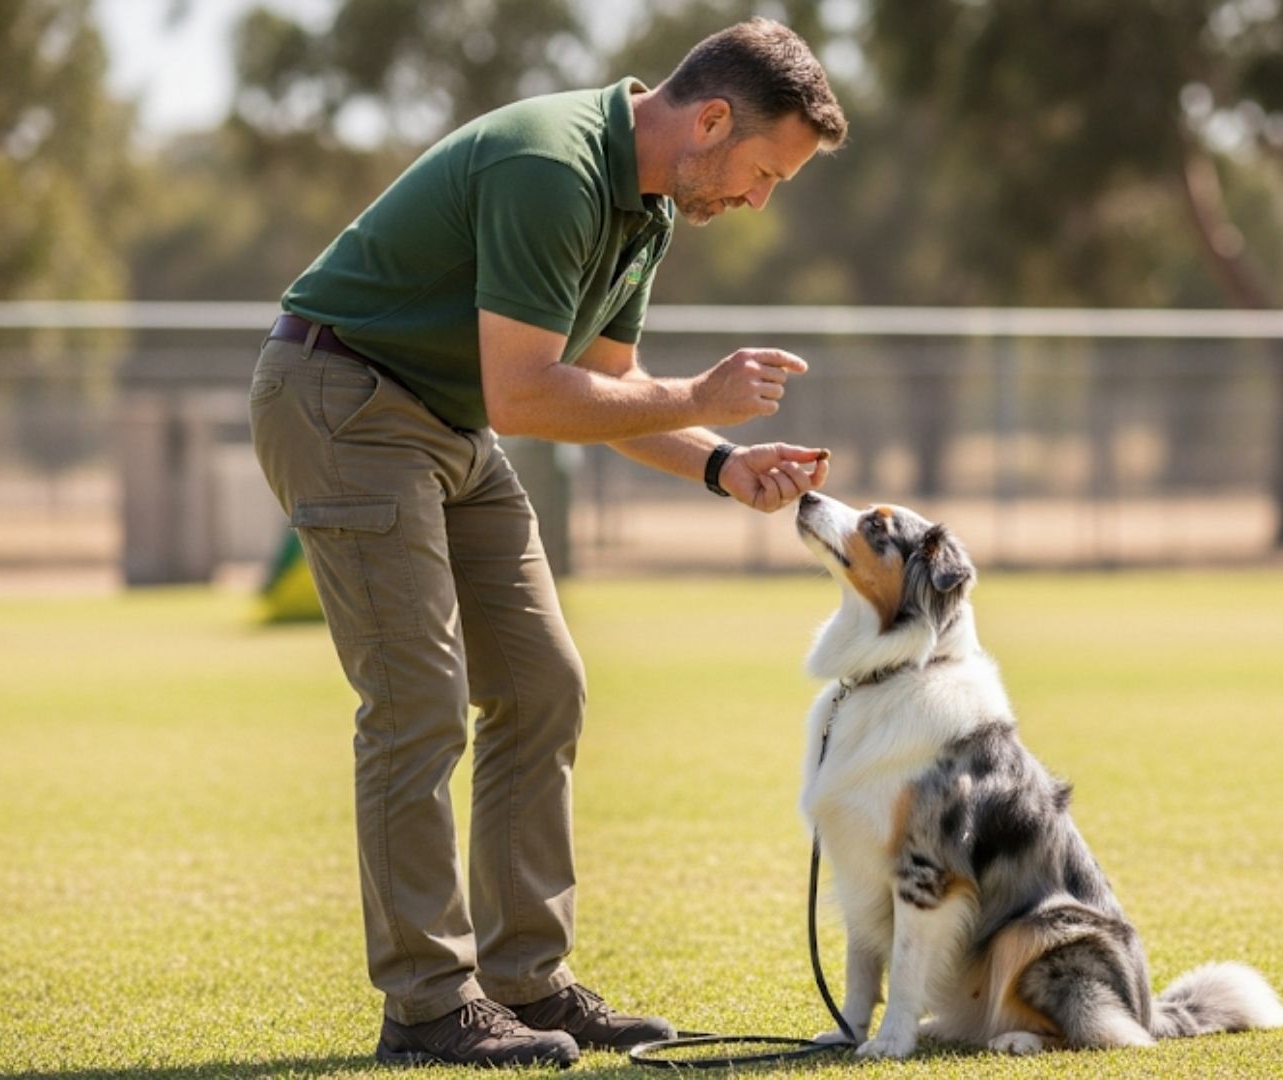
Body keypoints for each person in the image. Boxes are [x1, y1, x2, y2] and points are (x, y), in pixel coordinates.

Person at [247, 18, 847, 1069]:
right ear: (711, 120)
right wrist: (703, 394)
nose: (757, 200)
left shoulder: (646, 213)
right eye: (763, 173)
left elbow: (608, 395)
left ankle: (527, 983)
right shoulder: (553, 167)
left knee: (542, 685)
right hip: (341, 397)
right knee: (417, 703)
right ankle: (430, 1004)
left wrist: (721, 462)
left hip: (445, 422)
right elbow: (525, 394)